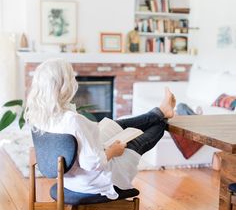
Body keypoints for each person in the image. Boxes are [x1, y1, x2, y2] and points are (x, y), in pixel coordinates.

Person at [25, 58, 176, 200]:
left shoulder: (38, 116)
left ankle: (162, 111)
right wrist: (113, 151)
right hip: (94, 182)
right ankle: (162, 117)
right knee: (141, 138)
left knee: (116, 125)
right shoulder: (73, 120)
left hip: (69, 180)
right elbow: (92, 163)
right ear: (64, 86)